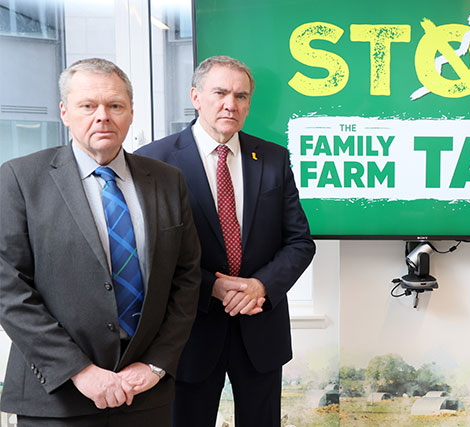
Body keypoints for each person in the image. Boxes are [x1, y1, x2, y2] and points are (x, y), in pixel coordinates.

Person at [0, 58, 202, 426]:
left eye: (115, 106)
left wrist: (156, 364)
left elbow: (186, 279)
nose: (102, 116)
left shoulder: (168, 180)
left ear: (130, 112)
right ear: (64, 111)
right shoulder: (20, 178)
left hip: (144, 393)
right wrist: (79, 370)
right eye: (88, 105)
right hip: (58, 395)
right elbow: (8, 288)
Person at [136, 55, 315, 427]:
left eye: (241, 96)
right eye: (219, 93)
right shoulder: (153, 161)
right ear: (196, 96)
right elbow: (148, 253)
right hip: (188, 334)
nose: (230, 104)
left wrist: (261, 286)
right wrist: (212, 287)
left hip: (260, 330)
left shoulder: (273, 158)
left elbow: (299, 242)